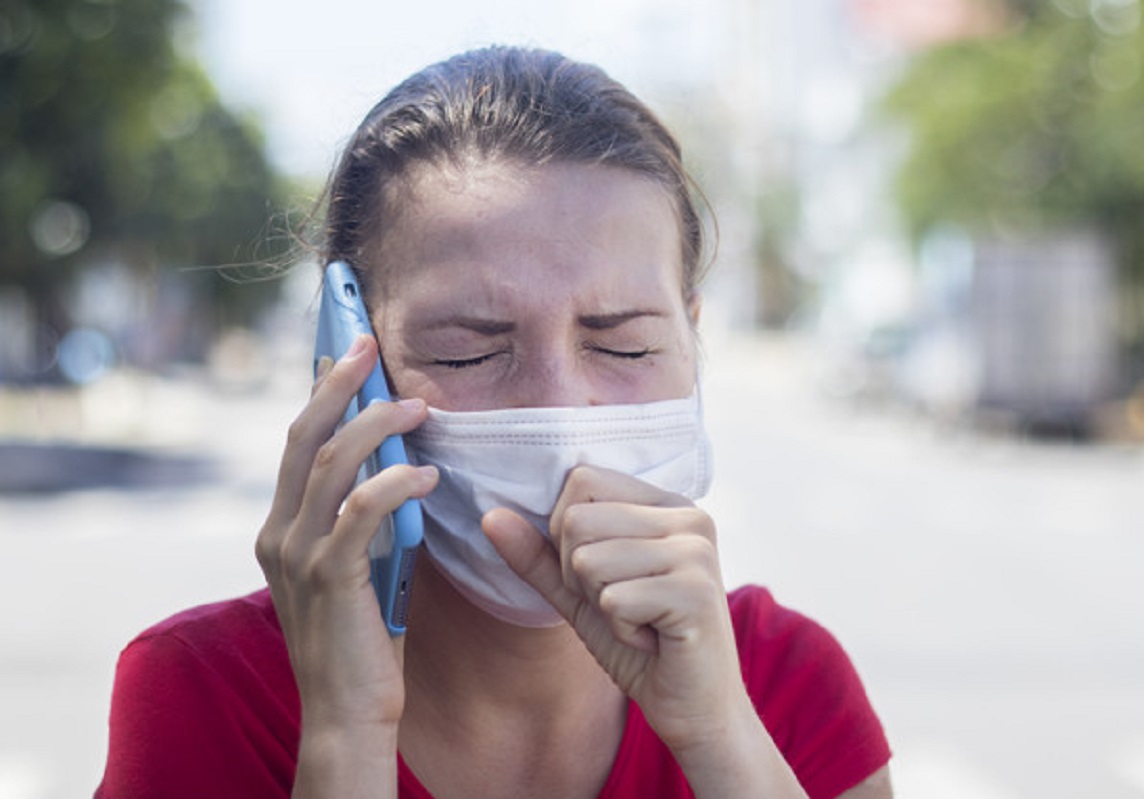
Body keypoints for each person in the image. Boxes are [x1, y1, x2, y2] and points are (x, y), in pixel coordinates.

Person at [95, 46, 892, 799]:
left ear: (691, 333)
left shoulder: (785, 679)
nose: (559, 404)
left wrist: (721, 735)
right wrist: (344, 734)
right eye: (470, 353)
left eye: (625, 343)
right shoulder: (202, 688)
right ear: (348, 367)